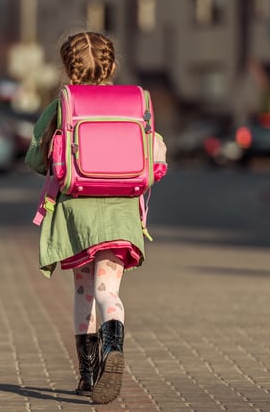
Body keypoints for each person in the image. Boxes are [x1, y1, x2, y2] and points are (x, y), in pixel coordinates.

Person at [24, 31, 166, 404]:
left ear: (68, 69)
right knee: (109, 292)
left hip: (77, 213)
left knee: (84, 292)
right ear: (112, 66)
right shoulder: (135, 103)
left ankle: (88, 374)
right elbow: (156, 158)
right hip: (121, 213)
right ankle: (114, 348)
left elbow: (38, 157)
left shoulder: (64, 104)